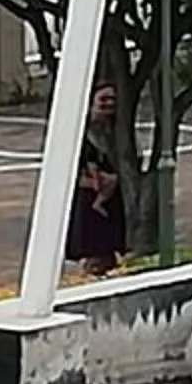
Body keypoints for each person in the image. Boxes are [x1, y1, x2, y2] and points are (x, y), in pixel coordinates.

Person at [66, 83, 126, 276]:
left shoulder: (114, 132)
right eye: (103, 99)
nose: (109, 104)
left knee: (107, 247)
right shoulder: (81, 133)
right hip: (88, 198)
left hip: (110, 197)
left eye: (112, 100)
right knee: (92, 244)